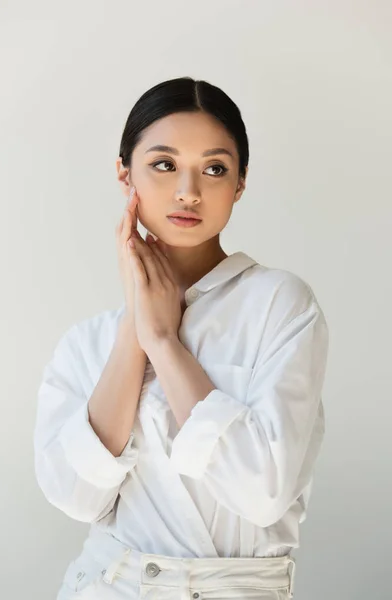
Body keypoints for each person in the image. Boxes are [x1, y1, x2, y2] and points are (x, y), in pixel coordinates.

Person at [33, 77, 329, 600]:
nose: (188, 191)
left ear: (239, 184)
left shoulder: (281, 305)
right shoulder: (86, 343)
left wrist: (165, 343)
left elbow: (262, 492)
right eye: (164, 164)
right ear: (125, 173)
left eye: (214, 169)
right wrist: (137, 331)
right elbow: (78, 498)